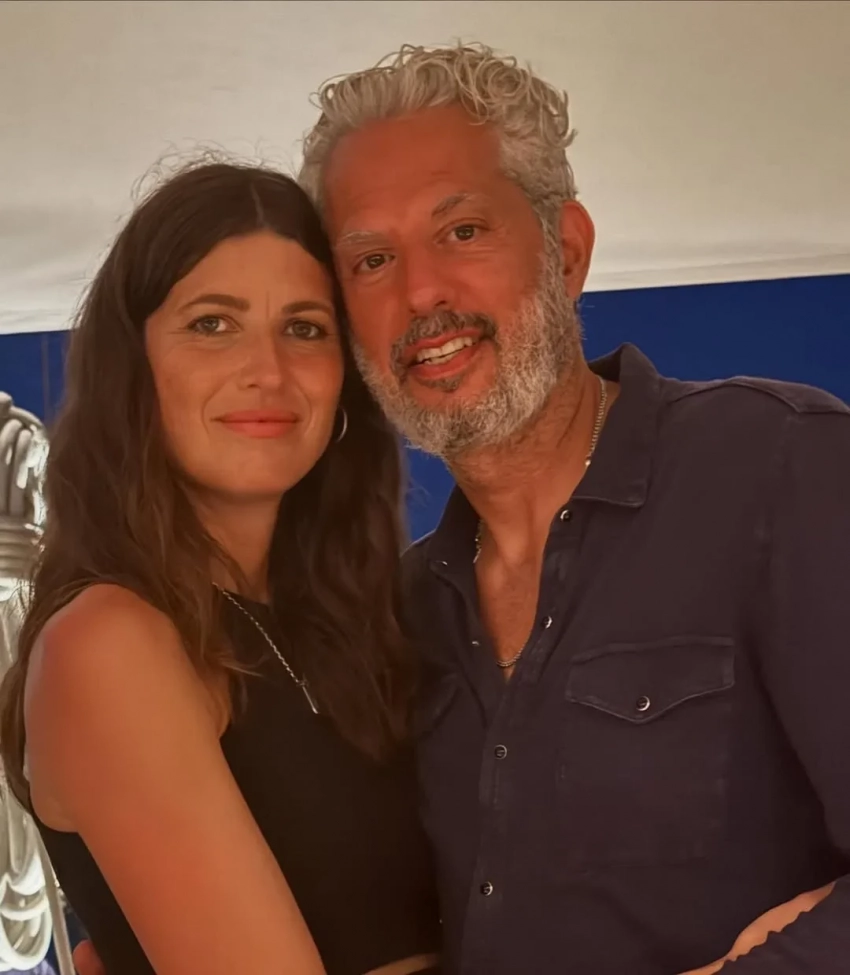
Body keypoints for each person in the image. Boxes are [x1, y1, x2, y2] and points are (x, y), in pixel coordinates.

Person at [294, 43, 850, 975]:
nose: (421, 292)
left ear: (566, 251)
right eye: (372, 259)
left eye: (462, 230)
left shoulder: (783, 467)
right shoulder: (402, 614)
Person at [0, 163, 441, 975]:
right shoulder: (108, 642)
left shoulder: (356, 626)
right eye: (212, 324)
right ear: (134, 369)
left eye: (304, 327)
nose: (267, 369)